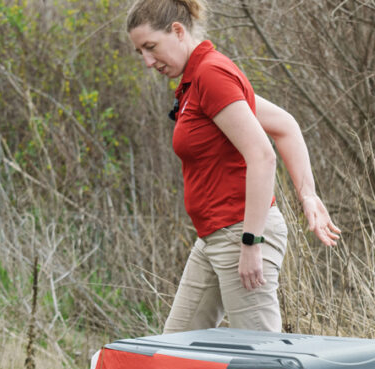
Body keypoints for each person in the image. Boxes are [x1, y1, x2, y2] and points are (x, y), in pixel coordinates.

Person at [126, 0, 340, 334]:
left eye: (151, 47)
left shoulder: (212, 74)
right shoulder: (196, 80)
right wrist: (307, 196)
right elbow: (284, 125)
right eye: (140, 52)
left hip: (241, 234)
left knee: (262, 362)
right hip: (214, 238)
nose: (148, 61)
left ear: (178, 31)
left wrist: (252, 243)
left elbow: (262, 156)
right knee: (176, 350)